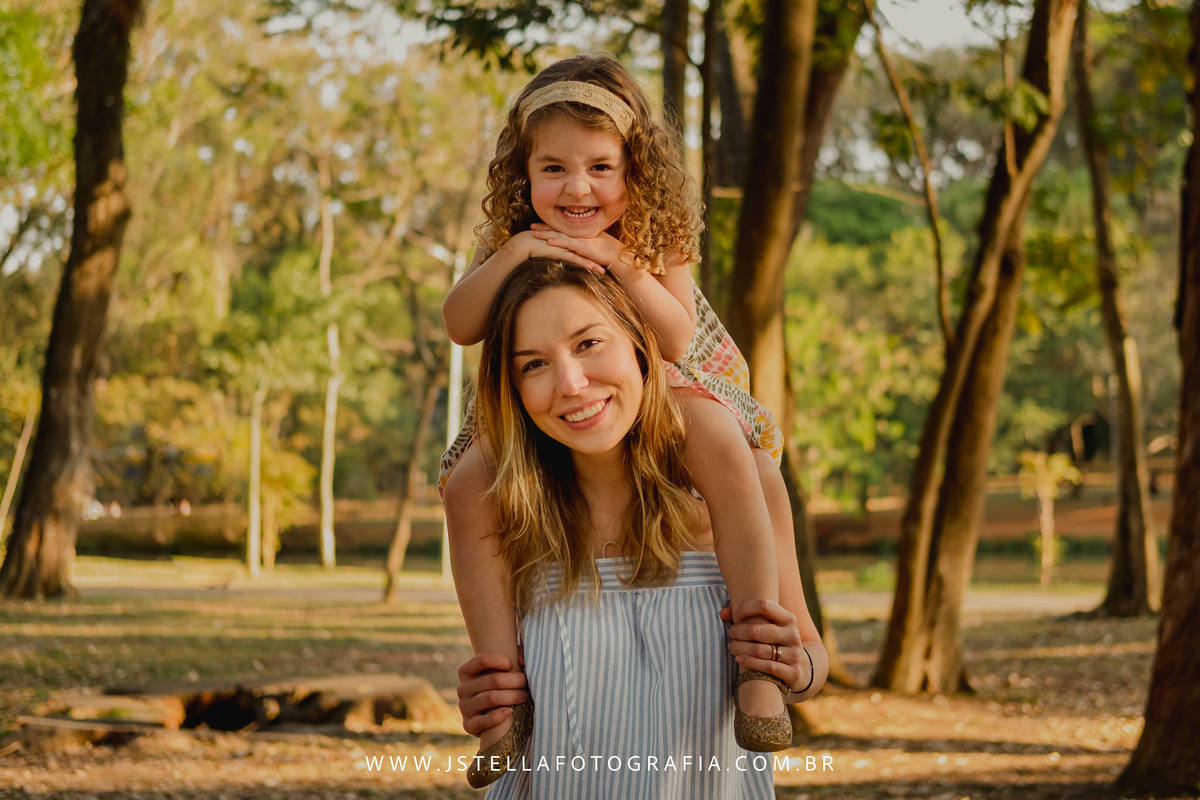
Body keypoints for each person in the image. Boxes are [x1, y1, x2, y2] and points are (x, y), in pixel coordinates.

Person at [440, 53, 808, 780]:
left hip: (668, 382)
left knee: (725, 446)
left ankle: (759, 670)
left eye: (601, 168)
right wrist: (514, 251)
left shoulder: (651, 231)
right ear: (525, 173)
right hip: (535, 405)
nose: (577, 188)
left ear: (634, 168)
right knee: (465, 481)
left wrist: (618, 261)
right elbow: (460, 322)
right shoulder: (517, 235)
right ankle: (503, 694)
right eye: (553, 169)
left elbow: (675, 338)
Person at [456, 259, 826, 796]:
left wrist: (792, 665)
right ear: (512, 388)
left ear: (638, 342)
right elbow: (499, 678)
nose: (571, 384)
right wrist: (488, 699)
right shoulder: (511, 509)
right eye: (533, 365)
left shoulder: (744, 485)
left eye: (588, 344)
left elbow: (812, 660)